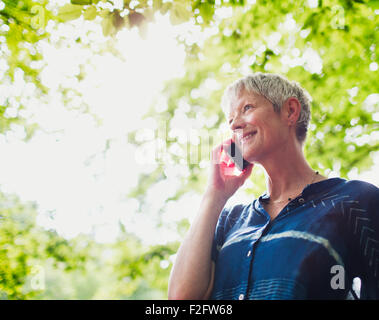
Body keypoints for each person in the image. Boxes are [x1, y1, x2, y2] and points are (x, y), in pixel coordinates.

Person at [167, 72, 379, 300]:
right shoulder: (230, 220)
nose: (236, 124)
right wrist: (215, 195)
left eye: (247, 108)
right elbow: (182, 299)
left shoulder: (355, 201)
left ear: (290, 111)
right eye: (230, 120)